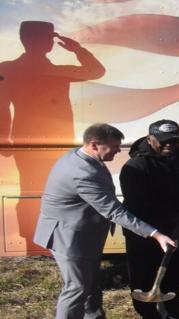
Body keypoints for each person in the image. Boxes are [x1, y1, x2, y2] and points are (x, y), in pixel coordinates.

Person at [32, 123, 176, 319]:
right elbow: (113, 211)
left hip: (83, 234)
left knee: (90, 283)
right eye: (114, 147)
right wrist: (155, 233)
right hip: (68, 235)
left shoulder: (83, 159)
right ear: (93, 144)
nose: (118, 151)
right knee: (76, 286)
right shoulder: (81, 173)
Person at [1, 21, 106, 253]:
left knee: (32, 191)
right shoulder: (55, 70)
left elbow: (1, 105)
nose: (48, 42)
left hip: (31, 142)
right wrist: (77, 49)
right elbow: (96, 70)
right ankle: (43, 243)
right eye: (47, 38)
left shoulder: (8, 68)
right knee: (54, 193)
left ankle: (34, 243)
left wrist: (6, 138)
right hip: (49, 143)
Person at [119, 118, 179, 319]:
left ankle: (174, 317)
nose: (170, 144)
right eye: (164, 141)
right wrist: (164, 226)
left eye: (174, 140)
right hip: (145, 230)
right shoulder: (136, 166)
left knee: (174, 272)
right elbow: (139, 203)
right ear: (150, 139)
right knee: (144, 274)